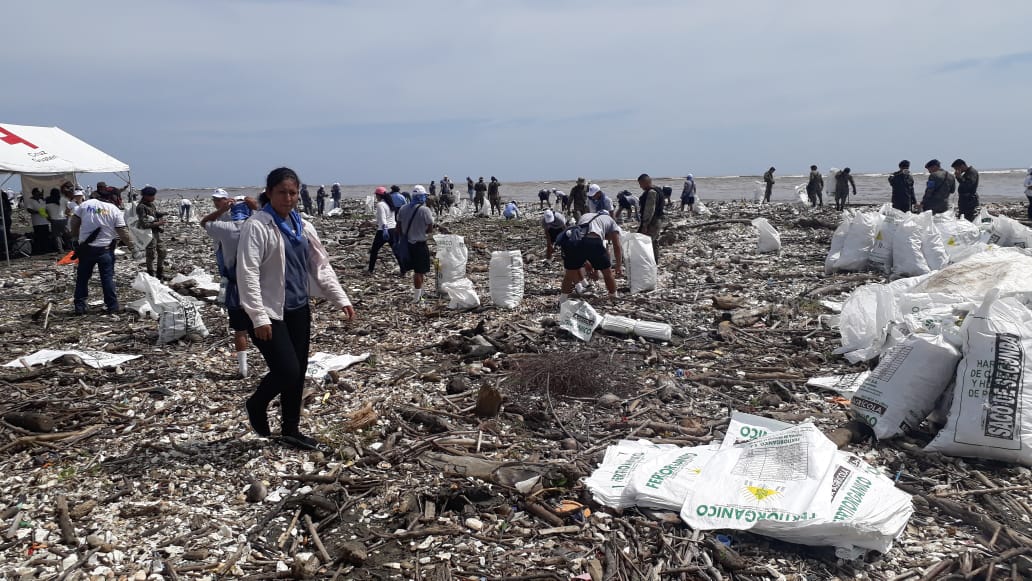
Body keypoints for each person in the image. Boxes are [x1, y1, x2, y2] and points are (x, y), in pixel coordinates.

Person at [237, 167, 356, 451]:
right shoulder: (258, 226)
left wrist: (341, 298)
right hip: (269, 311)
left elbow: (320, 267)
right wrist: (258, 316)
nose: (288, 198)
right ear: (269, 193)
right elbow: (247, 272)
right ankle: (256, 403)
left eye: (293, 192)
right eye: (282, 192)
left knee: (299, 370)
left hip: (298, 308)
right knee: (286, 370)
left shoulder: (303, 225)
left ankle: (291, 428)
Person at [201, 194, 259, 378]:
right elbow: (278, 218)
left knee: (240, 329)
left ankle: (243, 369)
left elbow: (204, 222)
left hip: (235, 285)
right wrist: (256, 206)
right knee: (264, 324)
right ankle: (275, 362)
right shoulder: (258, 226)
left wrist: (221, 210)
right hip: (258, 284)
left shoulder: (225, 228)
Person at [70, 188, 137, 314]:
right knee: (107, 278)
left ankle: (80, 306)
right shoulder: (114, 209)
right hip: (105, 249)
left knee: (82, 278)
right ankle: (112, 306)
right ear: (110, 198)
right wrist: (133, 247)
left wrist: (74, 237)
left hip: (86, 249)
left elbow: (74, 222)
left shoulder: (85, 205)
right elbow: (122, 231)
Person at [559, 211, 623, 303]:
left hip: (574, 243)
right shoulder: (611, 221)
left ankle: (562, 301)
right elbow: (616, 245)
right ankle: (614, 298)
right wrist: (618, 265)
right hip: (593, 242)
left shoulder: (585, 215)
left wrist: (588, 264)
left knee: (569, 275)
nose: (607, 239)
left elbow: (583, 243)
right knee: (607, 273)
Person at [396, 185, 435, 302]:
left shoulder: (403, 208)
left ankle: (420, 293)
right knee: (419, 271)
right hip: (420, 244)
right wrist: (420, 230)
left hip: (407, 244)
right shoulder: (425, 210)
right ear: (422, 197)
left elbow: (398, 227)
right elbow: (430, 228)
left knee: (418, 271)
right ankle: (417, 297)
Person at [136, 186, 168, 279]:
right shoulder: (141, 207)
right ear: (146, 196)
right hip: (148, 234)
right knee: (151, 254)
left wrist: (162, 214)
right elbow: (144, 224)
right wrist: (159, 223)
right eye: (152, 196)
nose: (154, 197)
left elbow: (154, 213)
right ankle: (151, 273)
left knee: (162, 251)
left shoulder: (151, 204)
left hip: (156, 232)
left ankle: (160, 272)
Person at [367, 187, 398, 274]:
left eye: (376, 195)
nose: (376, 197)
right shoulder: (389, 204)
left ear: (379, 195)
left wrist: (384, 229)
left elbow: (383, 218)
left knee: (374, 251)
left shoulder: (380, 204)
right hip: (393, 229)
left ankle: (370, 270)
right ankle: (403, 269)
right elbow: (390, 218)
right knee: (395, 250)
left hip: (383, 230)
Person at [637, 173, 665, 264]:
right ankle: (654, 262)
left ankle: (648, 263)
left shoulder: (651, 192)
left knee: (645, 242)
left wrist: (645, 225)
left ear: (646, 182)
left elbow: (649, 210)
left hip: (652, 222)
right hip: (657, 220)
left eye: (641, 184)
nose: (640, 186)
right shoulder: (658, 190)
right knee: (653, 242)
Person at [23, 188, 51, 254]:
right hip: (37, 222)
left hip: (45, 221)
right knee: (39, 236)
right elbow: (29, 209)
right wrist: (37, 212)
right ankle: (40, 250)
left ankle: (47, 249)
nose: (39, 194)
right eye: (38, 193)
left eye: (40, 193)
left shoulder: (41, 200)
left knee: (46, 236)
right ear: (34, 193)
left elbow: (46, 208)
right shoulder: (31, 201)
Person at [46, 188, 69, 254]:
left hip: (53, 220)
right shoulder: (63, 199)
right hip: (63, 219)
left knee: (57, 236)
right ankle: (69, 247)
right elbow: (69, 207)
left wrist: (48, 217)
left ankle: (60, 249)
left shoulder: (47, 200)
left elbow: (44, 210)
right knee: (67, 234)